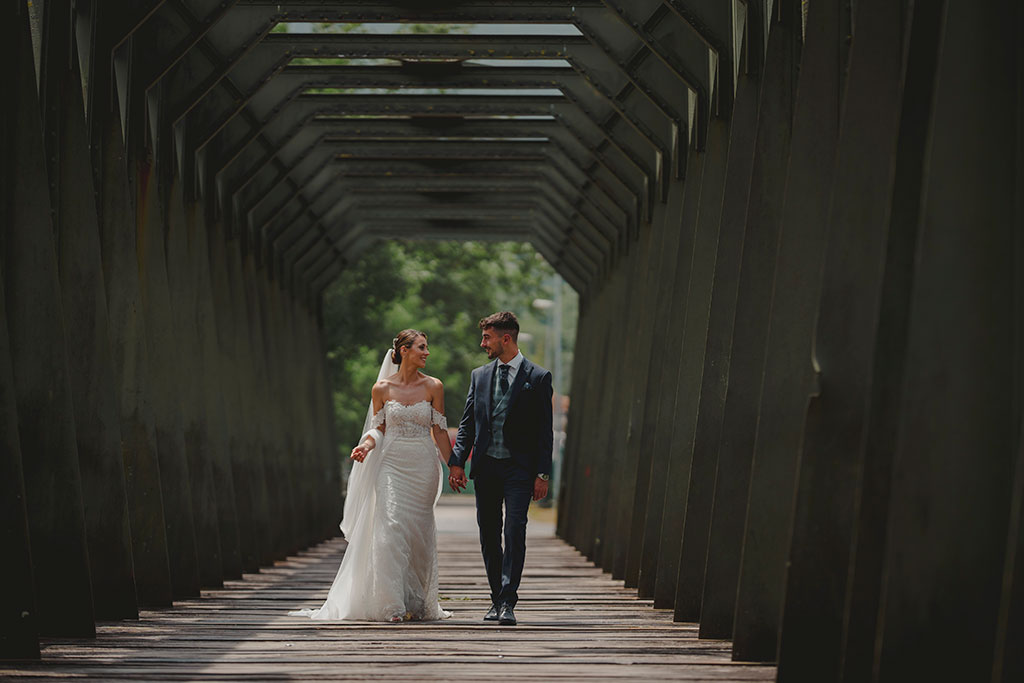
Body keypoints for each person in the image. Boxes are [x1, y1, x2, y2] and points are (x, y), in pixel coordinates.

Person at [291, 330, 454, 622]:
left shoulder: (434, 387)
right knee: (390, 528)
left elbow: (439, 431)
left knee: (418, 533)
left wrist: (454, 465)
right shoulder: (381, 388)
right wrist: (365, 446)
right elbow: (378, 428)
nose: (427, 353)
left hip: (422, 465)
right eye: (421, 347)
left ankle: (416, 601)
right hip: (391, 463)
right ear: (404, 350)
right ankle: (391, 604)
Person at [448, 311, 554, 626]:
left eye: (487, 338)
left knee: (514, 530)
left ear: (505, 338)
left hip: (519, 469)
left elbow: (544, 432)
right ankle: (496, 598)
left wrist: (542, 474)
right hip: (487, 467)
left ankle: (509, 600)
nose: (483, 344)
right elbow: (467, 425)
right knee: (489, 534)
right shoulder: (479, 376)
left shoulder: (537, 378)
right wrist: (456, 461)